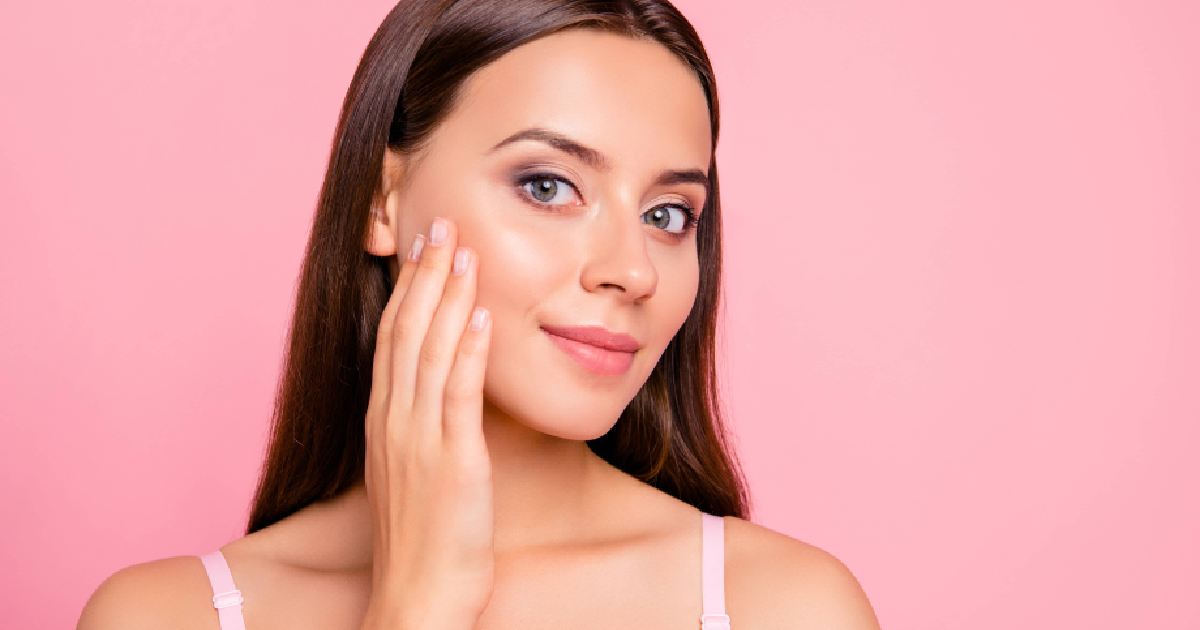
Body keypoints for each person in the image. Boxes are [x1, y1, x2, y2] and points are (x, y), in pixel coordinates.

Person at [78, 0, 881, 628]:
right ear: (381, 201)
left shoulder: (787, 609)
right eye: (547, 186)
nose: (633, 271)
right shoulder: (167, 616)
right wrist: (414, 612)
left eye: (669, 214)